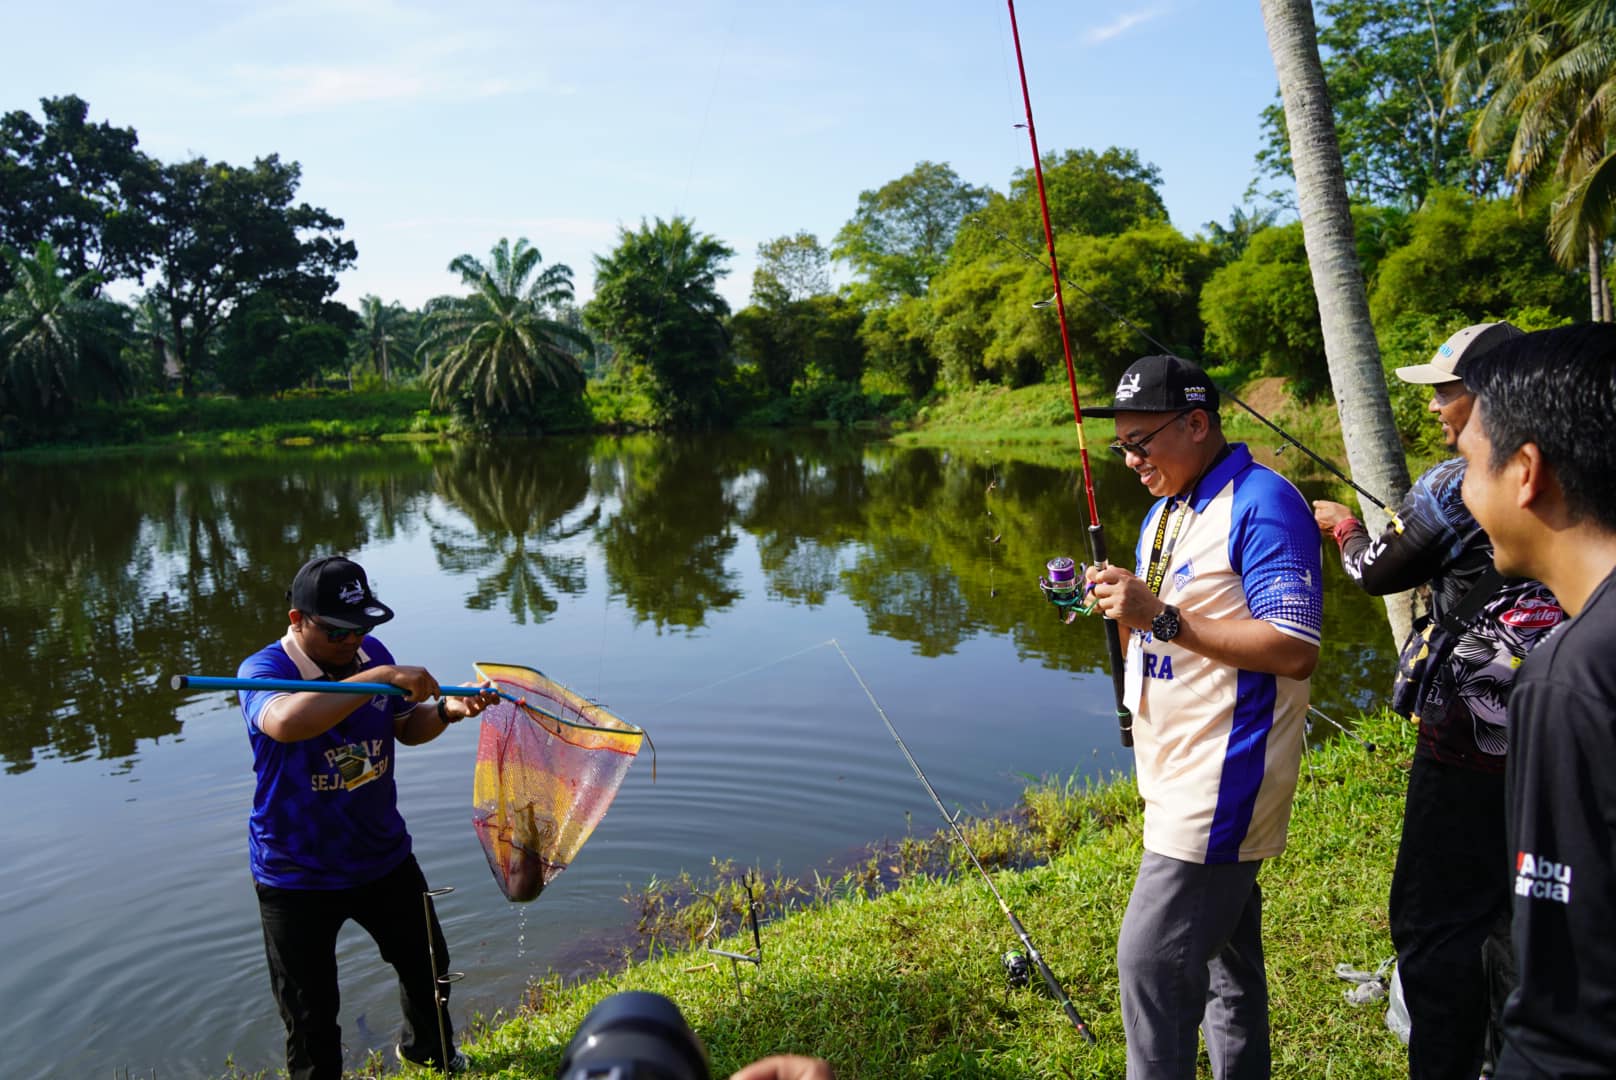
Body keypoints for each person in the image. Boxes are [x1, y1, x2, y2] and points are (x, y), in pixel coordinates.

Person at [1312, 323, 1563, 1080]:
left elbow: (1376, 574)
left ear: (1489, 400)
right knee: (1522, 895)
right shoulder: (1577, 479)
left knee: (1437, 916)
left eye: (1444, 392)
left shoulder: (1452, 486)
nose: (1433, 410)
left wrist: (1346, 530)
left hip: (1476, 732)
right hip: (1545, 721)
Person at [1084, 354, 1323, 1080]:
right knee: (1226, 967)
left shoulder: (1263, 502)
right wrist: (1116, 609)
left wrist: (1157, 616)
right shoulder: (1166, 511)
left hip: (1223, 780)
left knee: (1150, 966)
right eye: (1120, 445)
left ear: (1196, 423)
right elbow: (1161, 630)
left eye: (1141, 441)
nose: (1130, 459)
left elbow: (1294, 646)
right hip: (1173, 767)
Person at [236, 554, 498, 1080]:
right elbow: (286, 724)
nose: (352, 641)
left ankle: (429, 1053)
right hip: (296, 872)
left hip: (382, 856)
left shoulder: (368, 653)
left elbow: (406, 726)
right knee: (310, 1016)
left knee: (429, 969)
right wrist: (377, 677)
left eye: (361, 628)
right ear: (297, 620)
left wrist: (447, 711)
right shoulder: (263, 671)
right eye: (337, 631)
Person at [1454, 323, 1616, 1078]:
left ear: (1525, 471)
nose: (1461, 490)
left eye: (1466, 463)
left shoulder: (1568, 679)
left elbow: (1566, 1001)